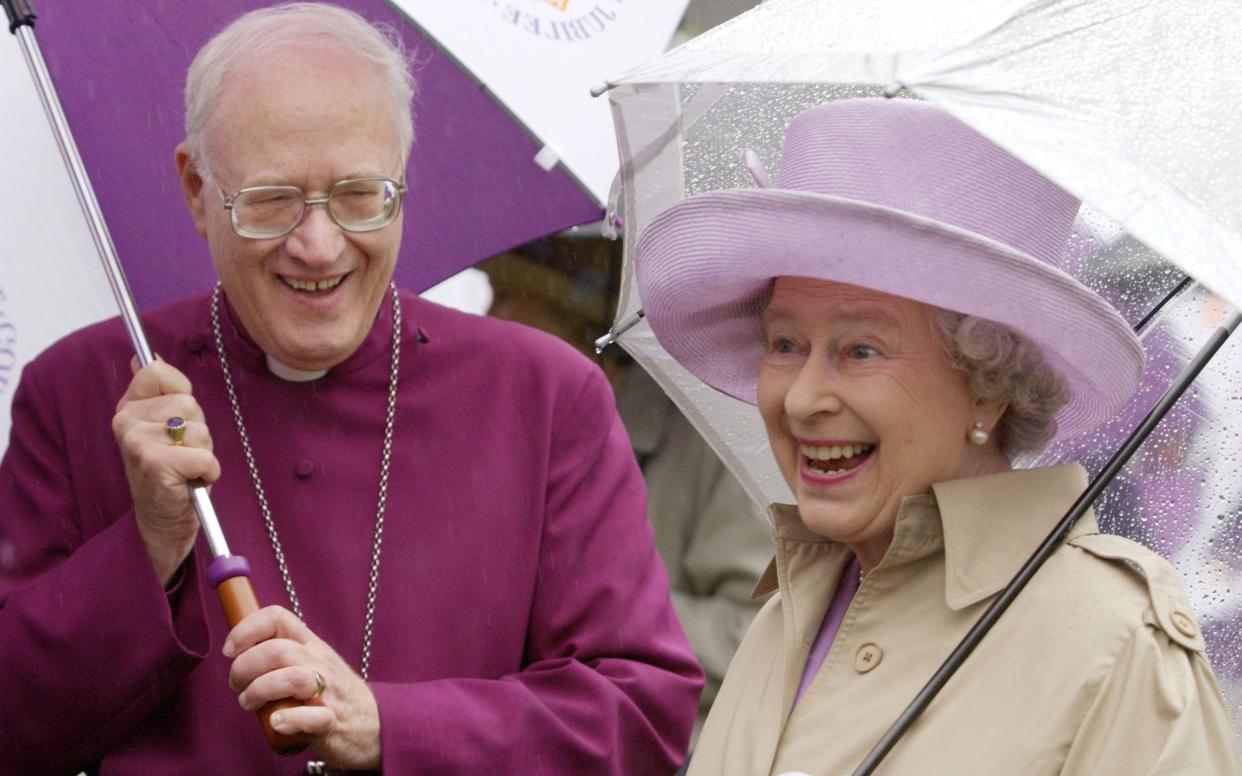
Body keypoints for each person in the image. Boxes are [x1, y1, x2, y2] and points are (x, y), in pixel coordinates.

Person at [0, 3, 701, 773]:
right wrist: (149, 546)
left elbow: (639, 720)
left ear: (404, 178)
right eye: (271, 200)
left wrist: (388, 726)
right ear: (199, 189)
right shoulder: (82, 392)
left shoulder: (545, 396)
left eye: (359, 195)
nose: (318, 244)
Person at [632, 97, 1242, 775]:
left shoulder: (1118, 646)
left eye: (861, 350)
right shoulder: (787, 615)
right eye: (784, 343)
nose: (802, 398)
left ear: (989, 384)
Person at [483, 248, 773, 740]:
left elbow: (753, 634)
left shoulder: (710, 442)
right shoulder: (513, 433)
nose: (489, 316)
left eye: (509, 295)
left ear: (581, 328)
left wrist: (589, 612)